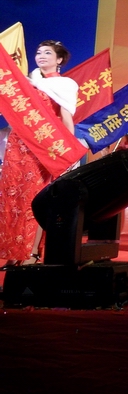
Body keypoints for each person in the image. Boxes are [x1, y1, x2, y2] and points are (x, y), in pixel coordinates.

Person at [0, 41, 78, 266]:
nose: (41, 56)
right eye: (38, 52)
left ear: (59, 59)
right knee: (12, 198)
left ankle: (31, 253)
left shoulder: (65, 85)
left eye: (47, 53)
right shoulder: (27, 81)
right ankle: (13, 253)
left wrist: (69, 152)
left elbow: (66, 119)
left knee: (33, 199)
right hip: (17, 145)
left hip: (42, 148)